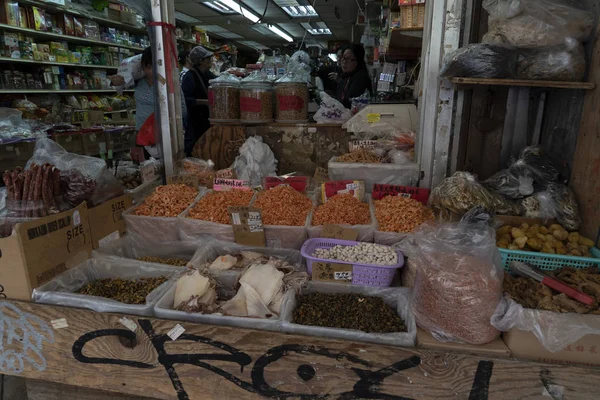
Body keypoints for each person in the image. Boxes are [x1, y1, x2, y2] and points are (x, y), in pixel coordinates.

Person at [110, 47, 186, 160]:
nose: (151, 71)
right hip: (141, 134)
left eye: (155, 67)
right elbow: (120, 82)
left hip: (162, 137)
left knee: (163, 171)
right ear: (142, 66)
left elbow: (182, 110)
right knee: (144, 171)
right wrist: (115, 80)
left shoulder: (168, 85)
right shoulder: (138, 81)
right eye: (148, 67)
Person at [181, 45, 216, 156]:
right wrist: (204, 102)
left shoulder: (208, 75)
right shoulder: (189, 76)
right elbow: (186, 100)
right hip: (194, 122)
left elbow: (219, 81)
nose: (211, 60)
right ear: (201, 61)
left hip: (207, 120)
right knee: (194, 150)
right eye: (208, 58)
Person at [335, 44, 372, 109]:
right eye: (343, 58)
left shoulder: (361, 77)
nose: (344, 62)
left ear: (358, 61)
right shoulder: (345, 77)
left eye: (349, 59)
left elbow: (351, 100)